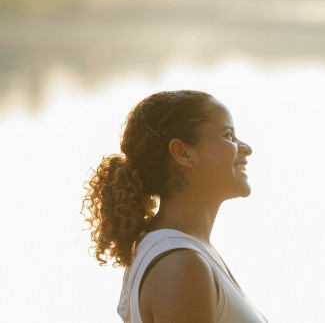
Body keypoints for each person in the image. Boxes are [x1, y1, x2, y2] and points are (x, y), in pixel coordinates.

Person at [82, 90, 268, 323]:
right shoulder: (181, 263)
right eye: (228, 135)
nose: (246, 147)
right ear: (182, 152)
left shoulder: (186, 251)